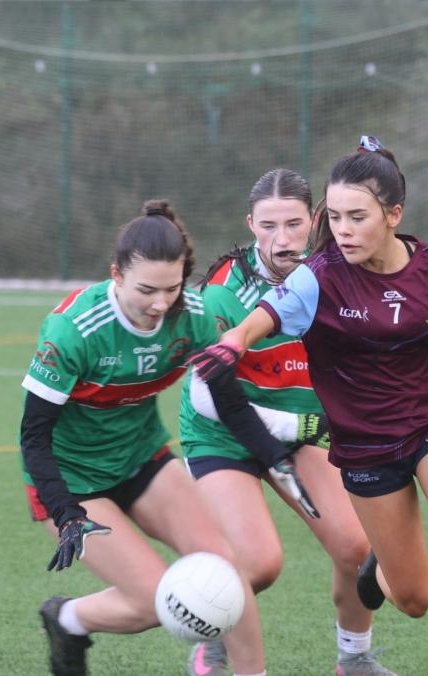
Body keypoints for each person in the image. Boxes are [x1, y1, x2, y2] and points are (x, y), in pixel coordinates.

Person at [191, 137, 428, 676]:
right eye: (334, 218)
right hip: (364, 442)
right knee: (414, 598)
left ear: (393, 214)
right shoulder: (319, 275)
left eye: (356, 217)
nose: (343, 230)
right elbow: (256, 320)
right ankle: (379, 571)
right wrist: (230, 343)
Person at [19, 200, 270, 676]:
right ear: (116, 274)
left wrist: (274, 455)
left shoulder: (193, 315)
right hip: (71, 484)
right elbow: (33, 438)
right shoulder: (73, 330)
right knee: (160, 599)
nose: (160, 303)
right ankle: (67, 618)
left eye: (172, 288)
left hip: (141, 461)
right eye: (146, 290)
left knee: (225, 571)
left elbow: (229, 399)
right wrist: (64, 510)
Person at [179, 169, 395, 676]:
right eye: (268, 226)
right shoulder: (221, 292)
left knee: (356, 547)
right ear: (250, 224)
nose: (282, 239)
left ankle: (355, 659)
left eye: (294, 224)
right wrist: (297, 429)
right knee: (260, 564)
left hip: (299, 429)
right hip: (224, 434)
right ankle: (210, 631)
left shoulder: (340, 276)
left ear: (314, 219)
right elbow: (208, 398)